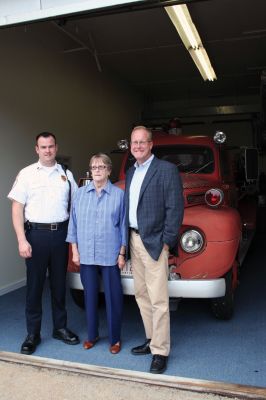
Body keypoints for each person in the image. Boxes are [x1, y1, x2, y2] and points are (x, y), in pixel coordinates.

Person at [8, 132, 80, 355]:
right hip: (35, 236)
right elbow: (17, 209)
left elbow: (76, 208)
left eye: (51, 146)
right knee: (35, 287)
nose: (47, 150)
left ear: (56, 148)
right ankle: (33, 334)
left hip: (61, 235)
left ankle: (60, 327)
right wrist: (21, 240)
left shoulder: (66, 175)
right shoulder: (27, 174)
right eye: (43, 147)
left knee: (59, 284)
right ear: (36, 149)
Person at [125, 126, 184, 374]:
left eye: (142, 142)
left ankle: (161, 351)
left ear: (151, 144)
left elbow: (175, 208)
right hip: (134, 240)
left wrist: (167, 241)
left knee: (159, 299)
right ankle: (151, 340)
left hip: (155, 242)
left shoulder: (166, 170)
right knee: (141, 295)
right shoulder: (131, 171)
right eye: (134, 142)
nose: (138, 146)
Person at [66, 153, 125, 354]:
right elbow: (72, 224)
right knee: (89, 297)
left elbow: (123, 226)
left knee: (113, 297)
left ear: (109, 170)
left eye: (101, 167)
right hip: (86, 255)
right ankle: (92, 335)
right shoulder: (80, 194)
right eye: (94, 167)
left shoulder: (118, 195)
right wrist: (74, 251)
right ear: (90, 171)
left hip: (110, 254)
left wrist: (122, 253)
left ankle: (115, 339)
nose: (97, 170)